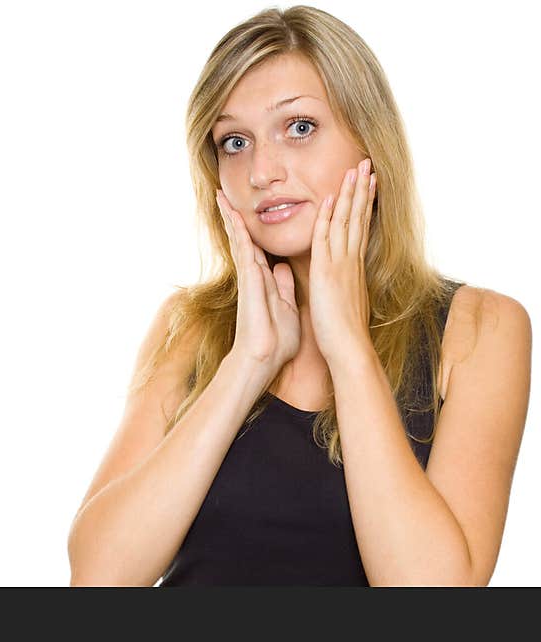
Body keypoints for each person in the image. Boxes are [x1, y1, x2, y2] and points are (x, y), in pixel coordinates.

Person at [66, 5, 531, 586]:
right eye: (234, 142)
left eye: (300, 127)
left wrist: (349, 347)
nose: (262, 170)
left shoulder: (481, 329)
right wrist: (248, 363)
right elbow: (98, 579)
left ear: (370, 138)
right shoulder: (186, 326)